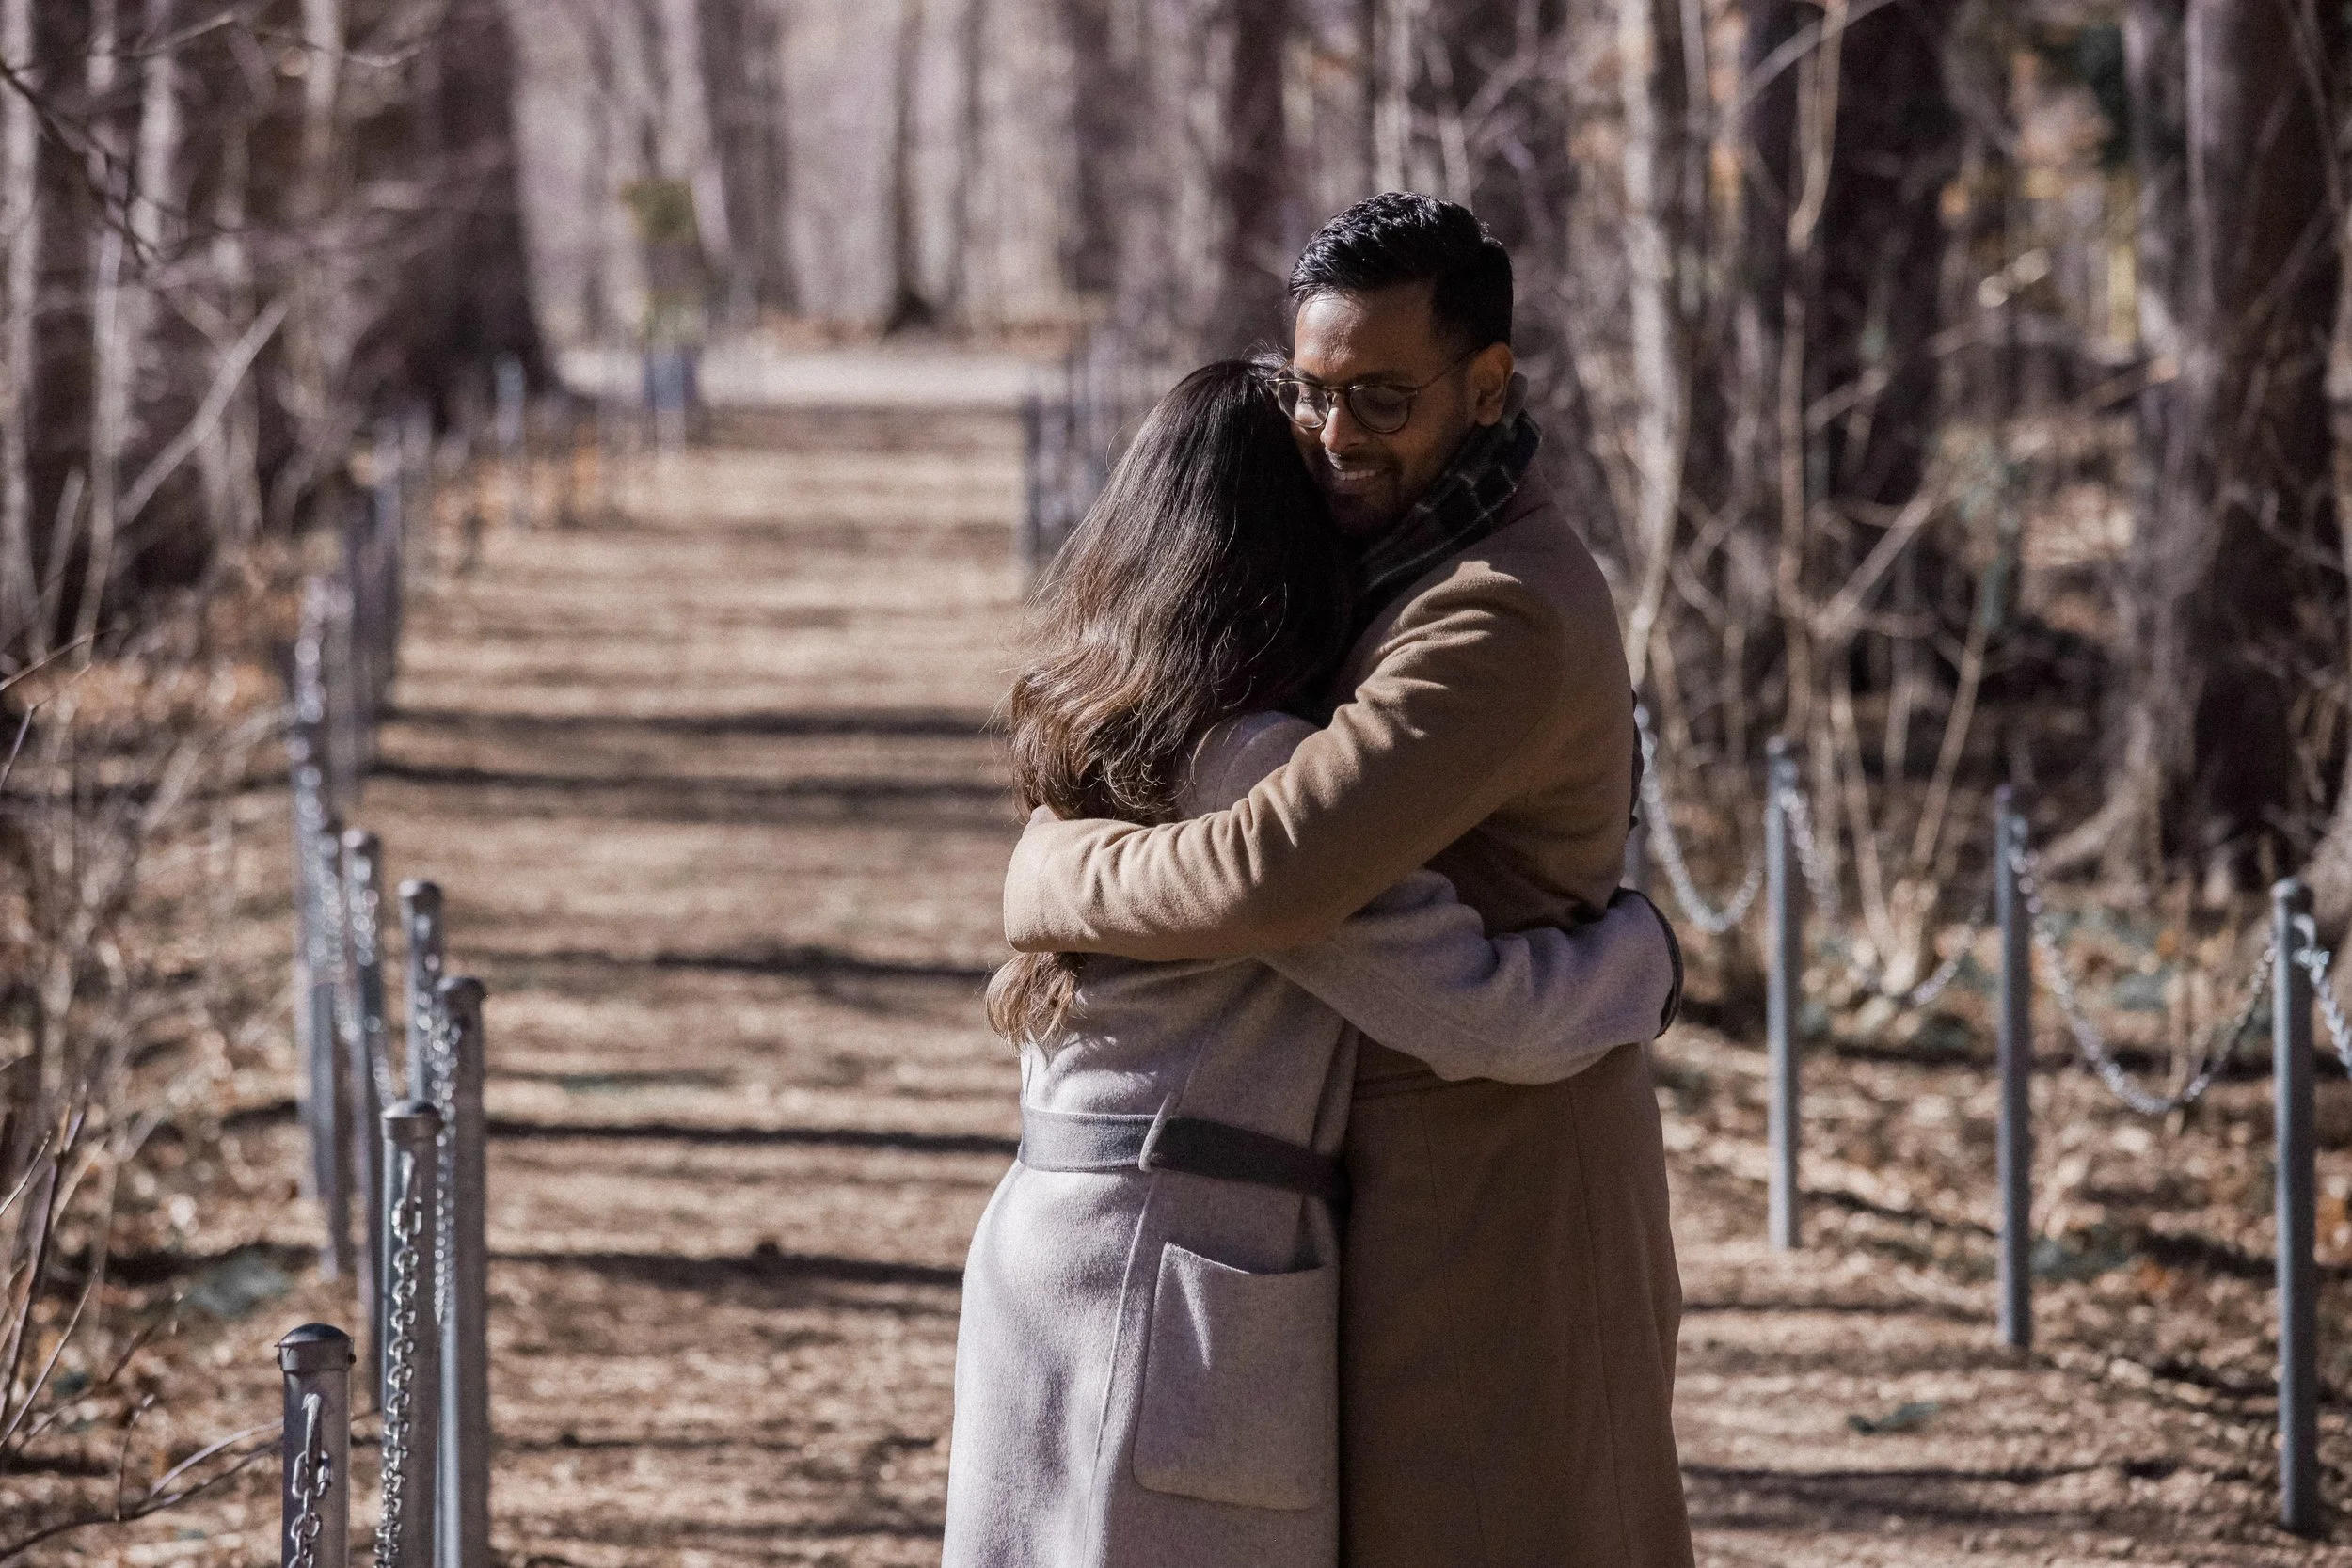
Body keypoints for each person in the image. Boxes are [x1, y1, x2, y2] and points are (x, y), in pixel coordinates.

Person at [1002, 194, 1694, 1567]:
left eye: (1381, 397)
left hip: (1493, 1196)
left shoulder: (1492, 608)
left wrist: (1053, 870)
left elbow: (1272, 870)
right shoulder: (1404, 562)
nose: (1333, 435)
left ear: (1487, 385)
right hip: (1397, 1190)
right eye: (1314, 394)